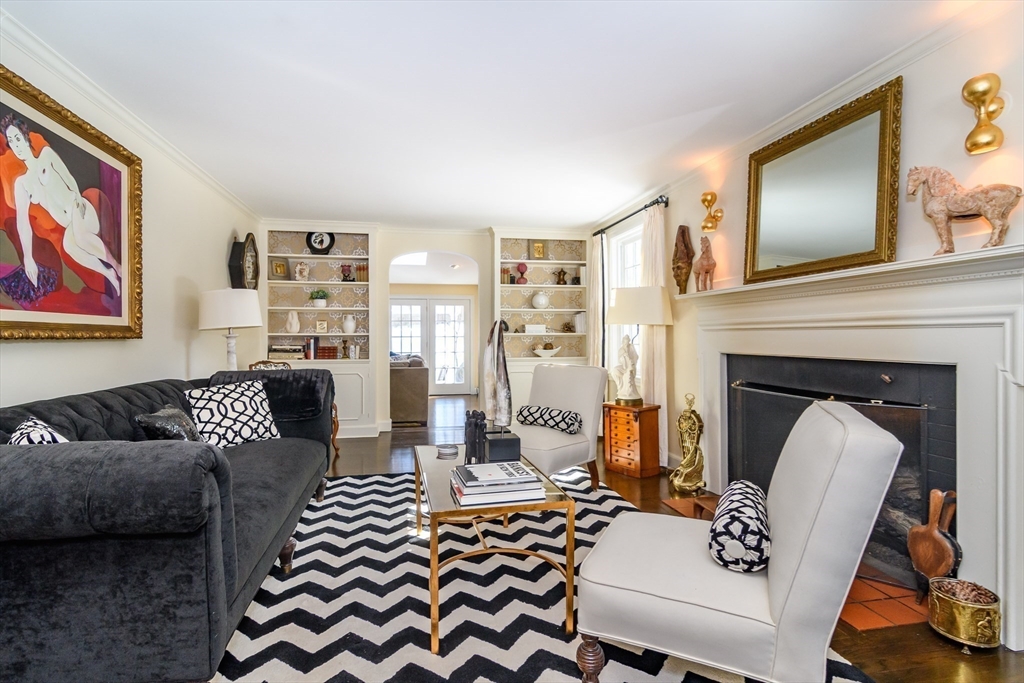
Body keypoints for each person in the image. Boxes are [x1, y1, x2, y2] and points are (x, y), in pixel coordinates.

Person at [2, 114, 121, 296]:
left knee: (79, 238)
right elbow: (23, 223)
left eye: (17, 138)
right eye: (11, 141)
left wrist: (79, 200)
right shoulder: (22, 184)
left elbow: (68, 177)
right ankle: (108, 272)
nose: (16, 144)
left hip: (80, 210)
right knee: (70, 246)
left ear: (25, 138)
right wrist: (28, 258)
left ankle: (116, 266)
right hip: (70, 226)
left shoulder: (46, 156)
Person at [610, 334, 639, 400]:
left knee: (628, 374)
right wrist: (623, 357)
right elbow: (620, 360)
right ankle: (620, 387)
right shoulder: (621, 350)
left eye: (627, 341)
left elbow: (636, 356)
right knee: (614, 371)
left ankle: (626, 391)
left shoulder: (631, 347)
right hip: (624, 366)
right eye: (625, 341)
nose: (626, 343)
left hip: (630, 366)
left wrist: (631, 361)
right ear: (623, 341)